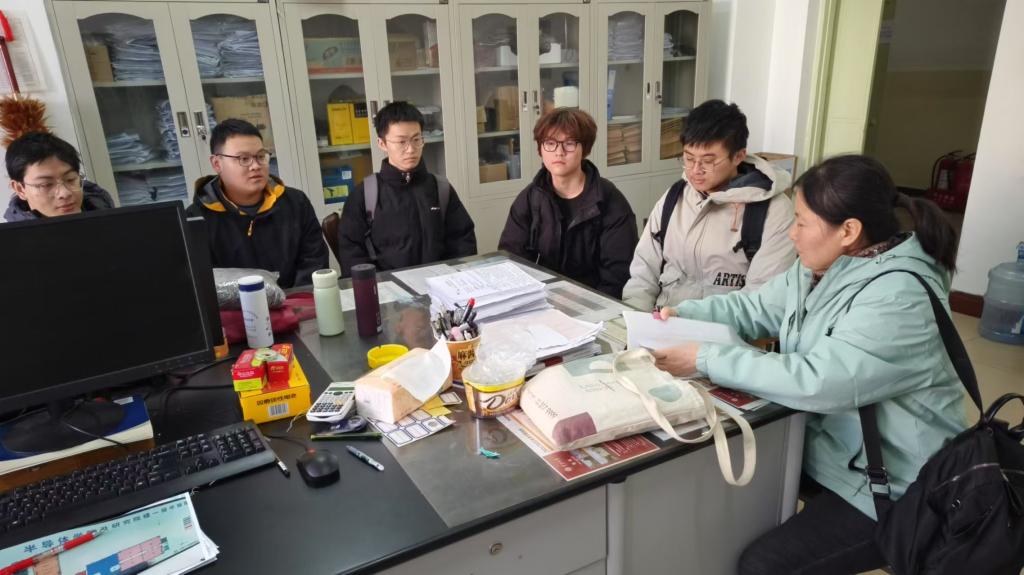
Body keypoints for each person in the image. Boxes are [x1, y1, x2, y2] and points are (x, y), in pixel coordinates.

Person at [652, 155, 966, 574]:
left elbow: (818, 381)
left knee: (763, 564)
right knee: (709, 477)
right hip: (831, 449)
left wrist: (705, 356)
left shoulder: (899, 297)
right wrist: (685, 315)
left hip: (894, 485)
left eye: (801, 221)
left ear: (848, 231)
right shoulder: (819, 268)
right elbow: (755, 307)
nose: (791, 232)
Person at [621, 100, 795, 311]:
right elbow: (643, 272)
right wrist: (635, 318)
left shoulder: (774, 211)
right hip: (662, 320)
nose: (695, 170)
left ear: (738, 156)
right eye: (688, 158)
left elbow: (761, 300)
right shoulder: (675, 197)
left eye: (708, 161)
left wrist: (684, 318)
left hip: (724, 327)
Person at [498, 108, 638, 298]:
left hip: (595, 301)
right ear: (540, 149)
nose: (559, 152)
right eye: (550, 143)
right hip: (542, 299)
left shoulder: (610, 201)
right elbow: (512, 259)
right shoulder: (531, 197)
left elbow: (618, 275)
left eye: (569, 143)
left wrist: (591, 307)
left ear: (584, 149)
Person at [338, 101, 476, 276]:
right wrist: (378, 285)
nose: (411, 149)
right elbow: (352, 254)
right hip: (385, 287)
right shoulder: (365, 195)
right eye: (401, 141)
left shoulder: (441, 188)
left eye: (416, 140)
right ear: (382, 143)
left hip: (440, 282)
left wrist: (454, 276)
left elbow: (463, 241)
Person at [187, 118, 327, 288]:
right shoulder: (196, 219)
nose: (255, 166)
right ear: (217, 164)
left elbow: (314, 264)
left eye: (260, 156)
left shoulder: (296, 203)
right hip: (234, 304)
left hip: (294, 301)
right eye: (243, 158)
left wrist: (295, 300)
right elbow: (203, 284)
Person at [4, 132, 113, 222]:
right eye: (46, 185)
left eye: (70, 179)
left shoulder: (106, 212)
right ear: (20, 189)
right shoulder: (12, 240)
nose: (64, 193)